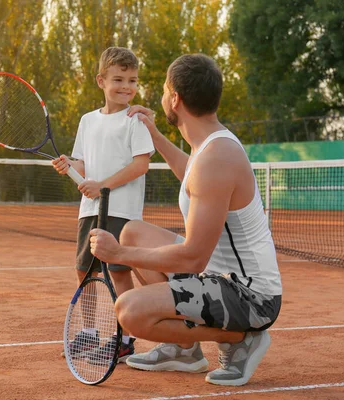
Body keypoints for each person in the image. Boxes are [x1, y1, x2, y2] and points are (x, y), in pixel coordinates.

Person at [89, 53, 282, 386]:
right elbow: (192, 176)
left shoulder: (217, 158)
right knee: (132, 231)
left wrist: (118, 255)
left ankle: (241, 338)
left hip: (251, 298)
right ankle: (184, 349)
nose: (161, 97)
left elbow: (193, 257)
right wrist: (153, 133)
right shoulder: (207, 145)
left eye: (164, 90)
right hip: (218, 276)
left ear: (175, 99)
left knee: (130, 310)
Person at [52, 46, 155, 362]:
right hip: (90, 210)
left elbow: (141, 165)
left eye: (132, 80)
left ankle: (123, 339)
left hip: (121, 211)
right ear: (101, 81)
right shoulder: (87, 120)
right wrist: (69, 165)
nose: (126, 87)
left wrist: (102, 186)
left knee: (119, 272)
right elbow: (84, 164)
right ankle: (88, 333)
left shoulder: (134, 120)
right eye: (119, 79)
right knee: (83, 269)